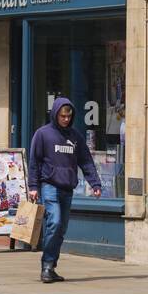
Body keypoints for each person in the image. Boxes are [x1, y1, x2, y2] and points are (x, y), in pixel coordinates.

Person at [28, 97, 102, 284]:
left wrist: (95, 184)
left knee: (61, 229)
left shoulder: (75, 137)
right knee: (55, 221)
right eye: (62, 116)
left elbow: (86, 161)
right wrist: (33, 187)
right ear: (55, 114)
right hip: (49, 185)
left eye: (69, 116)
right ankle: (46, 265)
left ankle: (51, 266)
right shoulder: (43, 134)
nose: (66, 119)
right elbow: (34, 162)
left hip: (67, 188)